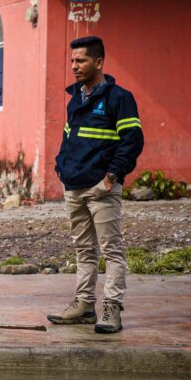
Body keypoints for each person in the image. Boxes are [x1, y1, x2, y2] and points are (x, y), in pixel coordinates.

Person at [48, 36, 143, 334]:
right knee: (83, 249)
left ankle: (111, 308)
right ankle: (84, 304)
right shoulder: (76, 99)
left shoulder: (119, 98)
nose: (74, 66)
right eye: (73, 61)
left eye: (81, 61)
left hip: (101, 188)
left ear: (99, 62)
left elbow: (133, 141)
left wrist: (111, 177)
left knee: (111, 249)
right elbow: (68, 138)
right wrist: (61, 167)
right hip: (74, 185)